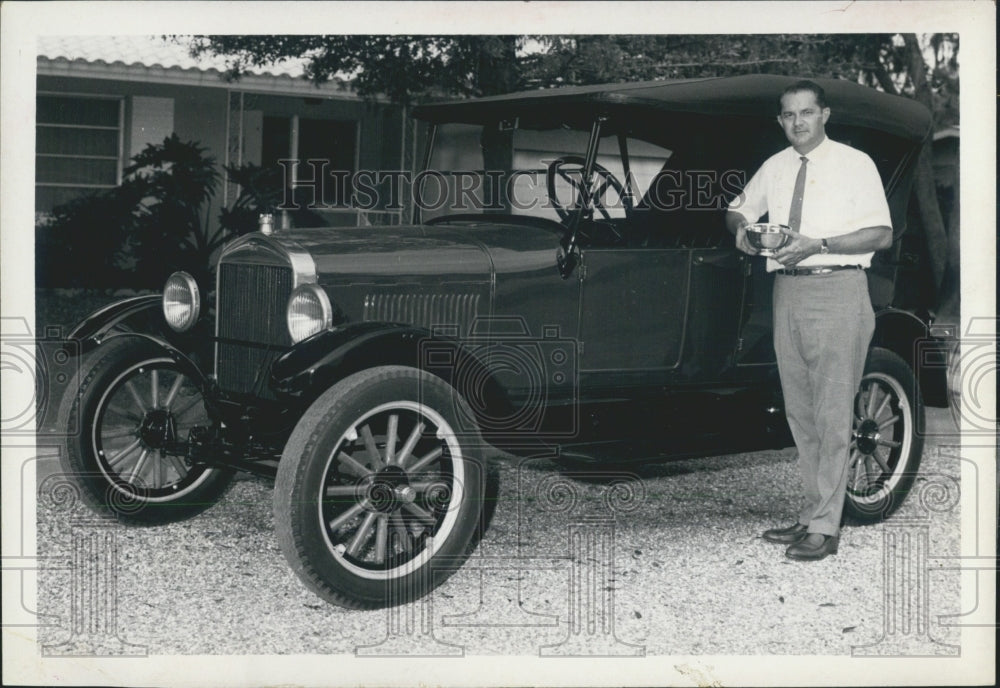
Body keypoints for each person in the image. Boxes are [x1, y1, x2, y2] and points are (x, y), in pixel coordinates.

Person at [725, 80, 892, 561]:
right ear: (780, 121)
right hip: (788, 291)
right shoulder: (775, 167)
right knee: (801, 412)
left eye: (807, 113)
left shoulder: (854, 163)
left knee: (833, 412)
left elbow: (881, 233)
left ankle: (826, 527)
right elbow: (738, 208)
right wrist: (741, 230)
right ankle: (812, 514)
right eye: (788, 115)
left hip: (837, 287)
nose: (797, 122)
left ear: (825, 115)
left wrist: (818, 244)